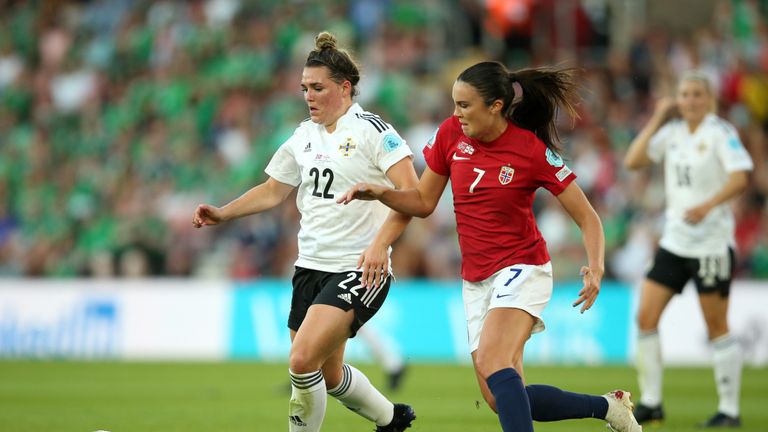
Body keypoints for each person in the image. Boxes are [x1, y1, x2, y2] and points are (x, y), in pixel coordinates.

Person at [338, 61, 642, 432]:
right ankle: (608, 408)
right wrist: (379, 193)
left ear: (496, 106)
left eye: (465, 105)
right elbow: (422, 202)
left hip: (523, 267)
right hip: (476, 279)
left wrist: (595, 265)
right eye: (454, 104)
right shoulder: (451, 134)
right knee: (501, 398)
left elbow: (588, 217)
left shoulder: (530, 150)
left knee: (495, 359)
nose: (456, 113)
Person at [193, 32, 418, 432]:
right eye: (304, 89)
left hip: (359, 268)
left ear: (344, 88)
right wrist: (223, 214)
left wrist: (379, 246)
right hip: (310, 267)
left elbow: (412, 196)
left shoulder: (373, 131)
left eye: (317, 88)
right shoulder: (304, 135)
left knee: (300, 361)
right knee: (329, 376)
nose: (308, 96)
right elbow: (272, 190)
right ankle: (391, 419)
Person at [624, 71, 753, 428]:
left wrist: (709, 205)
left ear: (709, 99)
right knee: (645, 317)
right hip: (674, 243)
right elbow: (633, 161)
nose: (690, 100)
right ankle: (651, 402)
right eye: (684, 94)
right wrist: (657, 118)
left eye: (697, 94)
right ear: (676, 99)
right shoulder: (672, 133)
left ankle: (729, 410)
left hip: (710, 245)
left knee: (716, 327)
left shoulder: (720, 132)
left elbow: (741, 176)